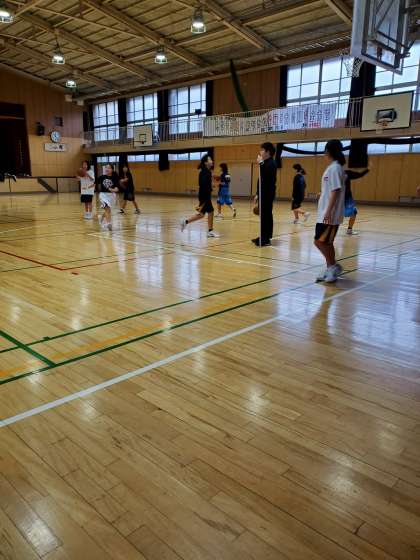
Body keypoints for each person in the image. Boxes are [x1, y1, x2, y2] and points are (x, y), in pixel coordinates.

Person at [314, 139, 346, 283]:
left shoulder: (335, 168)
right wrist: (322, 193)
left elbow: (336, 190)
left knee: (319, 242)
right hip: (325, 213)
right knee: (326, 242)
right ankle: (330, 268)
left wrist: (328, 211)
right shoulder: (333, 167)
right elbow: (331, 189)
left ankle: (333, 267)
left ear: (328, 150)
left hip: (329, 215)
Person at [180, 154, 218, 238]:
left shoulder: (205, 172)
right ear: (206, 163)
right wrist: (209, 190)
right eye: (210, 160)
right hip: (205, 196)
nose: (212, 161)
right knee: (210, 211)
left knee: (202, 214)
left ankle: (185, 222)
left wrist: (211, 186)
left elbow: (203, 184)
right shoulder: (206, 172)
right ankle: (210, 231)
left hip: (204, 195)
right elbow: (203, 184)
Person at [252, 142, 277, 247]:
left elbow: (267, 178)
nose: (260, 152)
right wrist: (257, 193)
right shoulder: (265, 163)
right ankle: (263, 236)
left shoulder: (271, 163)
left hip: (268, 193)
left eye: (262, 150)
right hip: (263, 193)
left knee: (266, 215)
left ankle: (266, 239)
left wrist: (261, 164)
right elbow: (261, 180)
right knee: (263, 215)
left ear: (268, 152)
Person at [344, 168, 369, 235]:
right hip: (344, 198)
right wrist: (368, 169)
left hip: (342, 198)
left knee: (353, 212)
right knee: (353, 212)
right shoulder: (345, 172)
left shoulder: (343, 172)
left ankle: (349, 230)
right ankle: (349, 230)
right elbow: (360, 174)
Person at [97, 163, 119, 231]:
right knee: (107, 209)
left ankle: (101, 217)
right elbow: (94, 183)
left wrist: (113, 190)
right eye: (106, 167)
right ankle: (108, 223)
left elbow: (117, 189)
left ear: (112, 169)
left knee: (108, 210)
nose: (107, 169)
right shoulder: (102, 177)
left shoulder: (115, 178)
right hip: (103, 195)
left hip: (112, 196)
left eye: (109, 168)